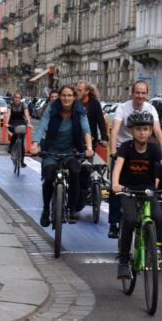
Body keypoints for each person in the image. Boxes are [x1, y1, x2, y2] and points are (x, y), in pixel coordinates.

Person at [111, 111, 162, 279]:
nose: (142, 132)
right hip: (128, 189)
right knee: (130, 218)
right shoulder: (125, 147)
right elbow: (118, 167)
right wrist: (115, 184)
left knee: (159, 218)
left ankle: (150, 244)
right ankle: (123, 260)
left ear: (151, 131)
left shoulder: (154, 148)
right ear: (131, 131)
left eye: (145, 129)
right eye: (138, 129)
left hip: (148, 189)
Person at [108, 80, 162, 238]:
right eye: (137, 92)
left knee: (154, 179)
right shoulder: (122, 108)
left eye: (143, 93)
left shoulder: (151, 108)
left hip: (144, 147)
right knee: (116, 186)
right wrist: (114, 151)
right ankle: (113, 223)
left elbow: (158, 131)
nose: (140, 96)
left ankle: (151, 212)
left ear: (146, 95)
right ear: (132, 93)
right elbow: (115, 131)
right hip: (124, 149)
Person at [30, 85, 95, 226]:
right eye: (63, 95)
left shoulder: (79, 110)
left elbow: (86, 129)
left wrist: (89, 147)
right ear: (59, 96)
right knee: (48, 176)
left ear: (74, 97)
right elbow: (41, 127)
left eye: (69, 95)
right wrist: (35, 144)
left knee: (75, 171)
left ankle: (71, 210)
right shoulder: (52, 109)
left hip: (71, 150)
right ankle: (46, 209)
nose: (66, 98)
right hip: (51, 150)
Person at [75, 80, 109, 211]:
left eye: (80, 90)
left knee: (91, 168)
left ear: (87, 91)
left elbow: (100, 121)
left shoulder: (94, 104)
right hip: (77, 141)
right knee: (78, 169)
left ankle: (91, 191)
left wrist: (104, 138)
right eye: (76, 90)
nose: (77, 92)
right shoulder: (74, 103)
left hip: (92, 141)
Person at [5, 92, 31, 167]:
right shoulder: (10, 105)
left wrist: (28, 123)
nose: (17, 99)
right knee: (15, 133)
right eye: (16, 97)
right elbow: (9, 114)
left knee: (22, 142)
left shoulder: (24, 105)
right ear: (13, 98)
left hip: (21, 122)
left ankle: (22, 161)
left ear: (21, 99)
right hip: (12, 122)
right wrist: (6, 123)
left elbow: (26, 114)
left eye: (19, 98)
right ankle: (10, 146)